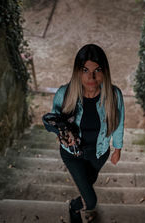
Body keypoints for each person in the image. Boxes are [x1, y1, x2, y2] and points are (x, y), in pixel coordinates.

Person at [45, 44, 125, 222]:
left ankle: (79, 201)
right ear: (77, 71)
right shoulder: (63, 94)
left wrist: (117, 148)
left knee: (88, 184)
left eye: (97, 70)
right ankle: (75, 208)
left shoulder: (115, 95)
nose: (91, 77)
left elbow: (119, 124)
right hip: (72, 155)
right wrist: (61, 133)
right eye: (85, 70)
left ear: (104, 71)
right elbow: (51, 123)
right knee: (91, 200)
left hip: (99, 153)